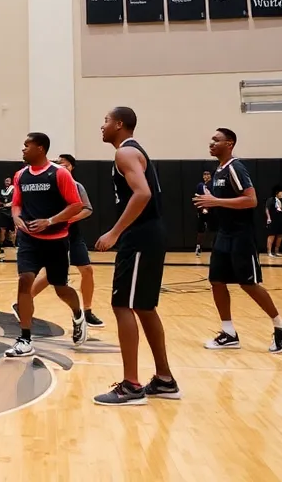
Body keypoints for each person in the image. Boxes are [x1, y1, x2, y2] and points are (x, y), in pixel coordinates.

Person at [94, 108, 179, 406]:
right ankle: (165, 380)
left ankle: (131, 385)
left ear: (119, 124)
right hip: (150, 234)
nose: (102, 126)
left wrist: (114, 232)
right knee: (144, 307)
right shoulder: (132, 152)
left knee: (122, 305)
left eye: (106, 121)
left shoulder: (125, 153)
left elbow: (142, 193)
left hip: (140, 236)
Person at [195, 128, 282, 355]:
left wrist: (216, 202)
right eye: (211, 140)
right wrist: (212, 204)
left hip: (241, 236)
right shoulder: (218, 170)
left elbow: (251, 200)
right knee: (216, 281)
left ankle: (281, 326)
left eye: (216, 140)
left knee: (248, 283)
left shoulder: (235, 167)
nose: (211, 143)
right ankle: (228, 333)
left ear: (229, 144)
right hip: (224, 234)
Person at [5, 132, 86, 359]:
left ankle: (78, 314)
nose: (23, 149)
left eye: (27, 145)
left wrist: (49, 221)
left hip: (56, 240)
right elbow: (16, 204)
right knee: (24, 281)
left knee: (61, 288)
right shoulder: (21, 175)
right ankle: (25, 338)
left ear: (40, 148)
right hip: (29, 240)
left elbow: (76, 205)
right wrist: (16, 217)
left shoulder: (59, 173)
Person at [24, 154, 104, 328]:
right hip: (55, 235)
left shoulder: (77, 186)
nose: (62, 167)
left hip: (73, 234)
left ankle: (88, 311)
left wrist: (68, 219)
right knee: (50, 275)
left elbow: (87, 209)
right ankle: (23, 302)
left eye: (65, 165)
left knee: (87, 270)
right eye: (59, 164)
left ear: (72, 167)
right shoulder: (49, 185)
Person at [0, 176, 16, 261]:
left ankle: (14, 245)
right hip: (3, 212)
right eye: (6, 180)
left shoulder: (14, 189)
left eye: (8, 180)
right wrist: (0, 205)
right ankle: (1, 246)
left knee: (13, 230)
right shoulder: (1, 190)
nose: (7, 182)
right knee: (2, 229)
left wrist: (8, 205)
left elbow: (15, 200)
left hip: (11, 212)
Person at [194, 170, 212, 256]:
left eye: (208, 174)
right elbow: (197, 198)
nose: (206, 176)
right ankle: (198, 247)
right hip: (203, 210)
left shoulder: (213, 185)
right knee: (201, 229)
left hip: (213, 209)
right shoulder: (200, 186)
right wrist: (202, 209)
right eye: (204, 174)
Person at [265, 186, 282, 257]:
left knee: (280, 235)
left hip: (280, 220)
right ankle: (269, 252)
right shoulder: (271, 200)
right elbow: (267, 209)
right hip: (273, 220)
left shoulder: (280, 201)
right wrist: (268, 218)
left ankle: (276, 251)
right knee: (272, 235)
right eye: (281, 192)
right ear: (277, 193)